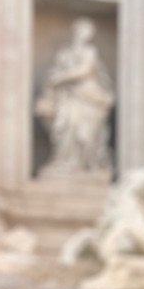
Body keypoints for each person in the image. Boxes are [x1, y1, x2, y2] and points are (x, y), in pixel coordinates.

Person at [35, 17, 114, 174]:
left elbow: (85, 70)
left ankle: (85, 163)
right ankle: (66, 161)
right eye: (84, 30)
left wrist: (61, 78)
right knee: (68, 126)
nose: (87, 34)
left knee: (85, 132)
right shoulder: (64, 52)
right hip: (67, 96)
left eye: (89, 31)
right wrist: (55, 79)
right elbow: (55, 71)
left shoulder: (90, 51)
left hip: (89, 95)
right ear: (76, 31)